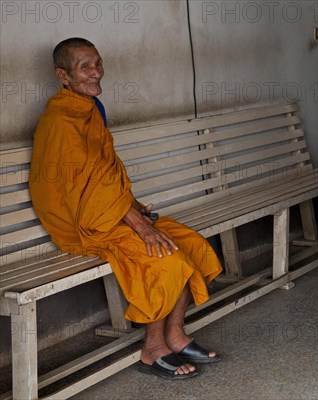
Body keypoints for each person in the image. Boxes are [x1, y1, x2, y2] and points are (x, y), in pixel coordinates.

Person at [29, 37, 223, 380]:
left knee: (187, 242)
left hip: (112, 212)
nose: (95, 72)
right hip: (84, 224)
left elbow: (103, 175)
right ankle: (152, 349)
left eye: (98, 63)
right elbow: (72, 193)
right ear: (63, 75)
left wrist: (133, 209)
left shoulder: (90, 109)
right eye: (84, 67)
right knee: (166, 258)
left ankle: (175, 335)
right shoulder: (59, 122)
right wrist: (140, 225)